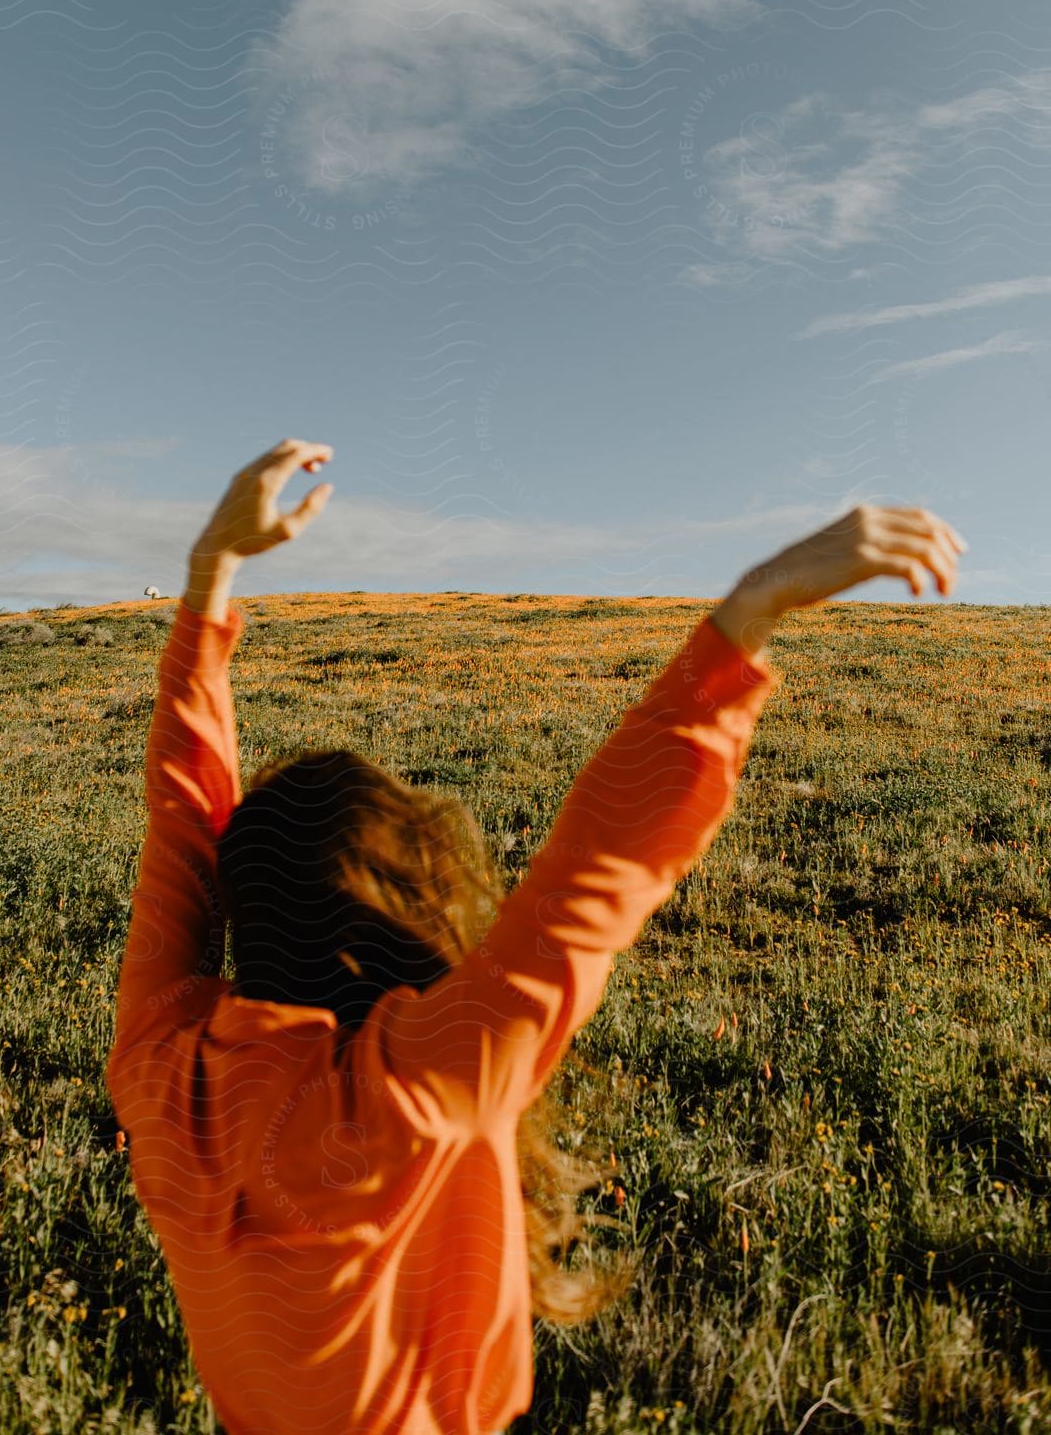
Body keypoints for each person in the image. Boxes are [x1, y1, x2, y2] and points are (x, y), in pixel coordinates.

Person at [105, 438, 965, 1435]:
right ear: (409, 899)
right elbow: (585, 878)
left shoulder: (161, 1073)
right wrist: (752, 609)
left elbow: (182, 827)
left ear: (239, 908)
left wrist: (214, 569)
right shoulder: (414, 1094)